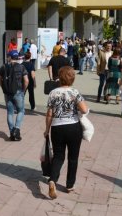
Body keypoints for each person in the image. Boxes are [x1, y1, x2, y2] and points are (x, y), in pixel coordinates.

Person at [44, 66, 89, 199]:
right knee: (73, 158)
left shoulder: (53, 93)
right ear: (72, 78)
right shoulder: (75, 92)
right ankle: (69, 185)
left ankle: (52, 179)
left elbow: (49, 114)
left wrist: (47, 130)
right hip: (73, 127)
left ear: (59, 77)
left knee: (58, 156)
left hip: (57, 127)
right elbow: (84, 109)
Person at [0, 50, 29, 141]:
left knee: (10, 113)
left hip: (7, 93)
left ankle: (12, 132)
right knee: (21, 111)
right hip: (18, 91)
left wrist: (3, 87)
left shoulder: (3, 67)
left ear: (10, 57)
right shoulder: (21, 67)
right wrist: (23, 90)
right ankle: (17, 129)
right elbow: (26, 80)